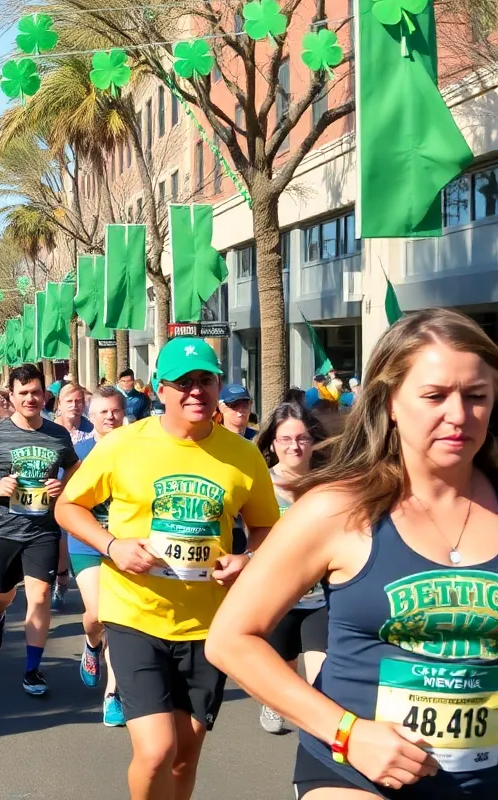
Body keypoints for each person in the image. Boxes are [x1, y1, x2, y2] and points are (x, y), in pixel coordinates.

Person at [206, 309, 498, 799]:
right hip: (354, 774)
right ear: (389, 404)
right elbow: (232, 639)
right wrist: (348, 732)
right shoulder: (335, 509)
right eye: (434, 396)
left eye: (476, 397)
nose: (458, 415)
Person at [55, 337, 280, 800]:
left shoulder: (243, 454)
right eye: (184, 383)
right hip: (135, 614)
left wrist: (247, 560)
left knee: (185, 754)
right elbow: (69, 507)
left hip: (206, 623)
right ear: (160, 389)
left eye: (206, 381)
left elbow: (266, 527)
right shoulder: (123, 444)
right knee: (156, 750)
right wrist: (112, 545)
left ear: (218, 385)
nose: (196, 391)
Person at [0, 364, 78, 697]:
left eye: (36, 392)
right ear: (11, 395)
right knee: (2, 594)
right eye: (23, 393)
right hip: (3, 530)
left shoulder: (57, 434)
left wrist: (61, 485)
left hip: (42, 530)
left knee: (38, 598)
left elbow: (76, 466)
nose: (30, 398)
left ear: (44, 395)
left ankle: (32, 670)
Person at [247, 400, 329, 736]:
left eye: (302, 438)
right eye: (286, 439)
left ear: (313, 442)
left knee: (321, 675)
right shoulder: (260, 486)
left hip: (322, 601)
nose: (294, 446)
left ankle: (319, 742)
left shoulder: (329, 487)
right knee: (285, 667)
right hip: (277, 600)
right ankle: (274, 699)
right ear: (273, 443)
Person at [65, 386, 128, 727]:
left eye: (115, 410)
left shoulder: (139, 451)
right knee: (98, 615)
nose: (109, 417)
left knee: (117, 619)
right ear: (91, 418)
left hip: (126, 545)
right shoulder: (80, 453)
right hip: (87, 542)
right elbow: (67, 501)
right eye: (102, 411)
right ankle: (91, 645)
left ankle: (112, 695)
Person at [51, 384, 98, 610]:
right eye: (69, 401)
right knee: (57, 542)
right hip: (52, 493)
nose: (74, 405)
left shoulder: (92, 429)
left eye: (78, 401)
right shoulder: (49, 429)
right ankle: (60, 580)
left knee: (72, 539)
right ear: (59, 404)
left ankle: (79, 582)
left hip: (82, 496)